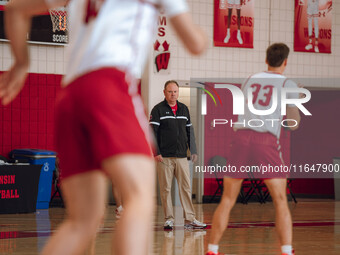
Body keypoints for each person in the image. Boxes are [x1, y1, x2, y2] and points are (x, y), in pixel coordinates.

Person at [0, 0, 207, 254]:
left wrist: (21, 63)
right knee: (139, 199)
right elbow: (196, 44)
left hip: (70, 97)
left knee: (82, 221)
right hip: (110, 86)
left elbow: (14, 9)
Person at [206, 43, 301, 255]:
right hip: (265, 140)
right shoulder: (288, 83)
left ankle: (212, 249)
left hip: (241, 137)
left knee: (228, 199)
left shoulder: (248, 80)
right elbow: (293, 124)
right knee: (280, 199)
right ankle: (286, 250)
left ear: (266, 60)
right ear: (286, 61)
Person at [150, 80, 207, 230]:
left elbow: (189, 131)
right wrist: (156, 152)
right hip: (164, 157)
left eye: (175, 91)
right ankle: (168, 219)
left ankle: (190, 219)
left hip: (182, 156)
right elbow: (152, 133)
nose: (173, 94)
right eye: (170, 91)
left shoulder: (184, 109)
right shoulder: (158, 110)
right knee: (166, 189)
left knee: (186, 188)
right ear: (164, 92)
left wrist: (193, 150)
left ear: (178, 92)